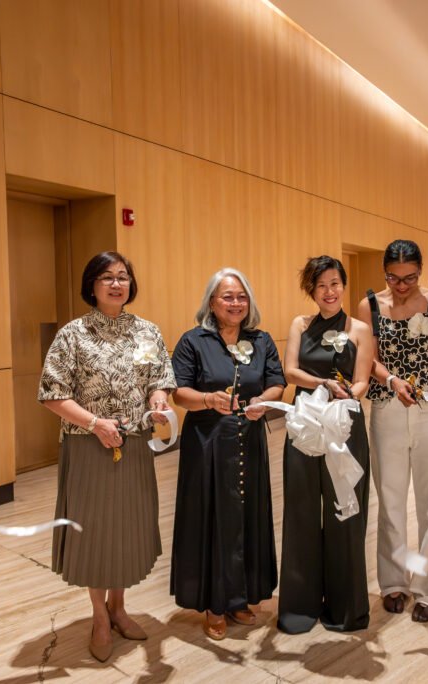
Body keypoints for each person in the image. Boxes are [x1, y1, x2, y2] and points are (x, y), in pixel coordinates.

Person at [39, 251, 176, 662]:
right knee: (94, 533)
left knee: (127, 528)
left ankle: (119, 607)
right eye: (107, 277)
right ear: (92, 285)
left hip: (133, 444)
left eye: (123, 277)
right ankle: (99, 616)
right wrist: (95, 423)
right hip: (88, 446)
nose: (117, 284)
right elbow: (52, 394)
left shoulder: (146, 332)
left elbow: (158, 379)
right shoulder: (73, 335)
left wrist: (158, 399)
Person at [170, 268, 286, 640]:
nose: (235, 303)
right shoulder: (193, 341)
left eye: (241, 296)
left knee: (246, 517)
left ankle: (240, 598)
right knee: (213, 519)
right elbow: (179, 392)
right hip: (208, 443)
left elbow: (277, 382)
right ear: (212, 301)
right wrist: (208, 399)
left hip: (249, 439)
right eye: (227, 296)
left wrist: (262, 401)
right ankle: (215, 604)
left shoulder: (261, 340)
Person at [357, 239, 428, 623]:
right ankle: (393, 582)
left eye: (410, 278)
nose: (401, 286)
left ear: (421, 271)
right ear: (384, 273)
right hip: (388, 408)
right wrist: (392, 380)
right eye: (394, 278)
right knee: (391, 501)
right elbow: (367, 359)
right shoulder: (369, 305)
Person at [278, 256, 375, 634]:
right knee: (301, 511)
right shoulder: (300, 325)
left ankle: (345, 607)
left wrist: (348, 394)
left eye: (335, 284)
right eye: (321, 286)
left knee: (344, 513)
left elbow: (363, 378)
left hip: (344, 424)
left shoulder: (360, 328)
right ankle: (300, 606)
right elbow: (290, 371)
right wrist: (323, 384)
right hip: (305, 423)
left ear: (343, 286)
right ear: (312, 290)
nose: (329, 292)